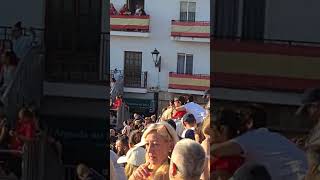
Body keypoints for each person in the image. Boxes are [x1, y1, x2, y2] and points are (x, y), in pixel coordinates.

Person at [211, 104, 308, 180]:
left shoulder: (250, 137)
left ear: (250, 123)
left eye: (240, 119)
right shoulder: (272, 136)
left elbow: (216, 150)